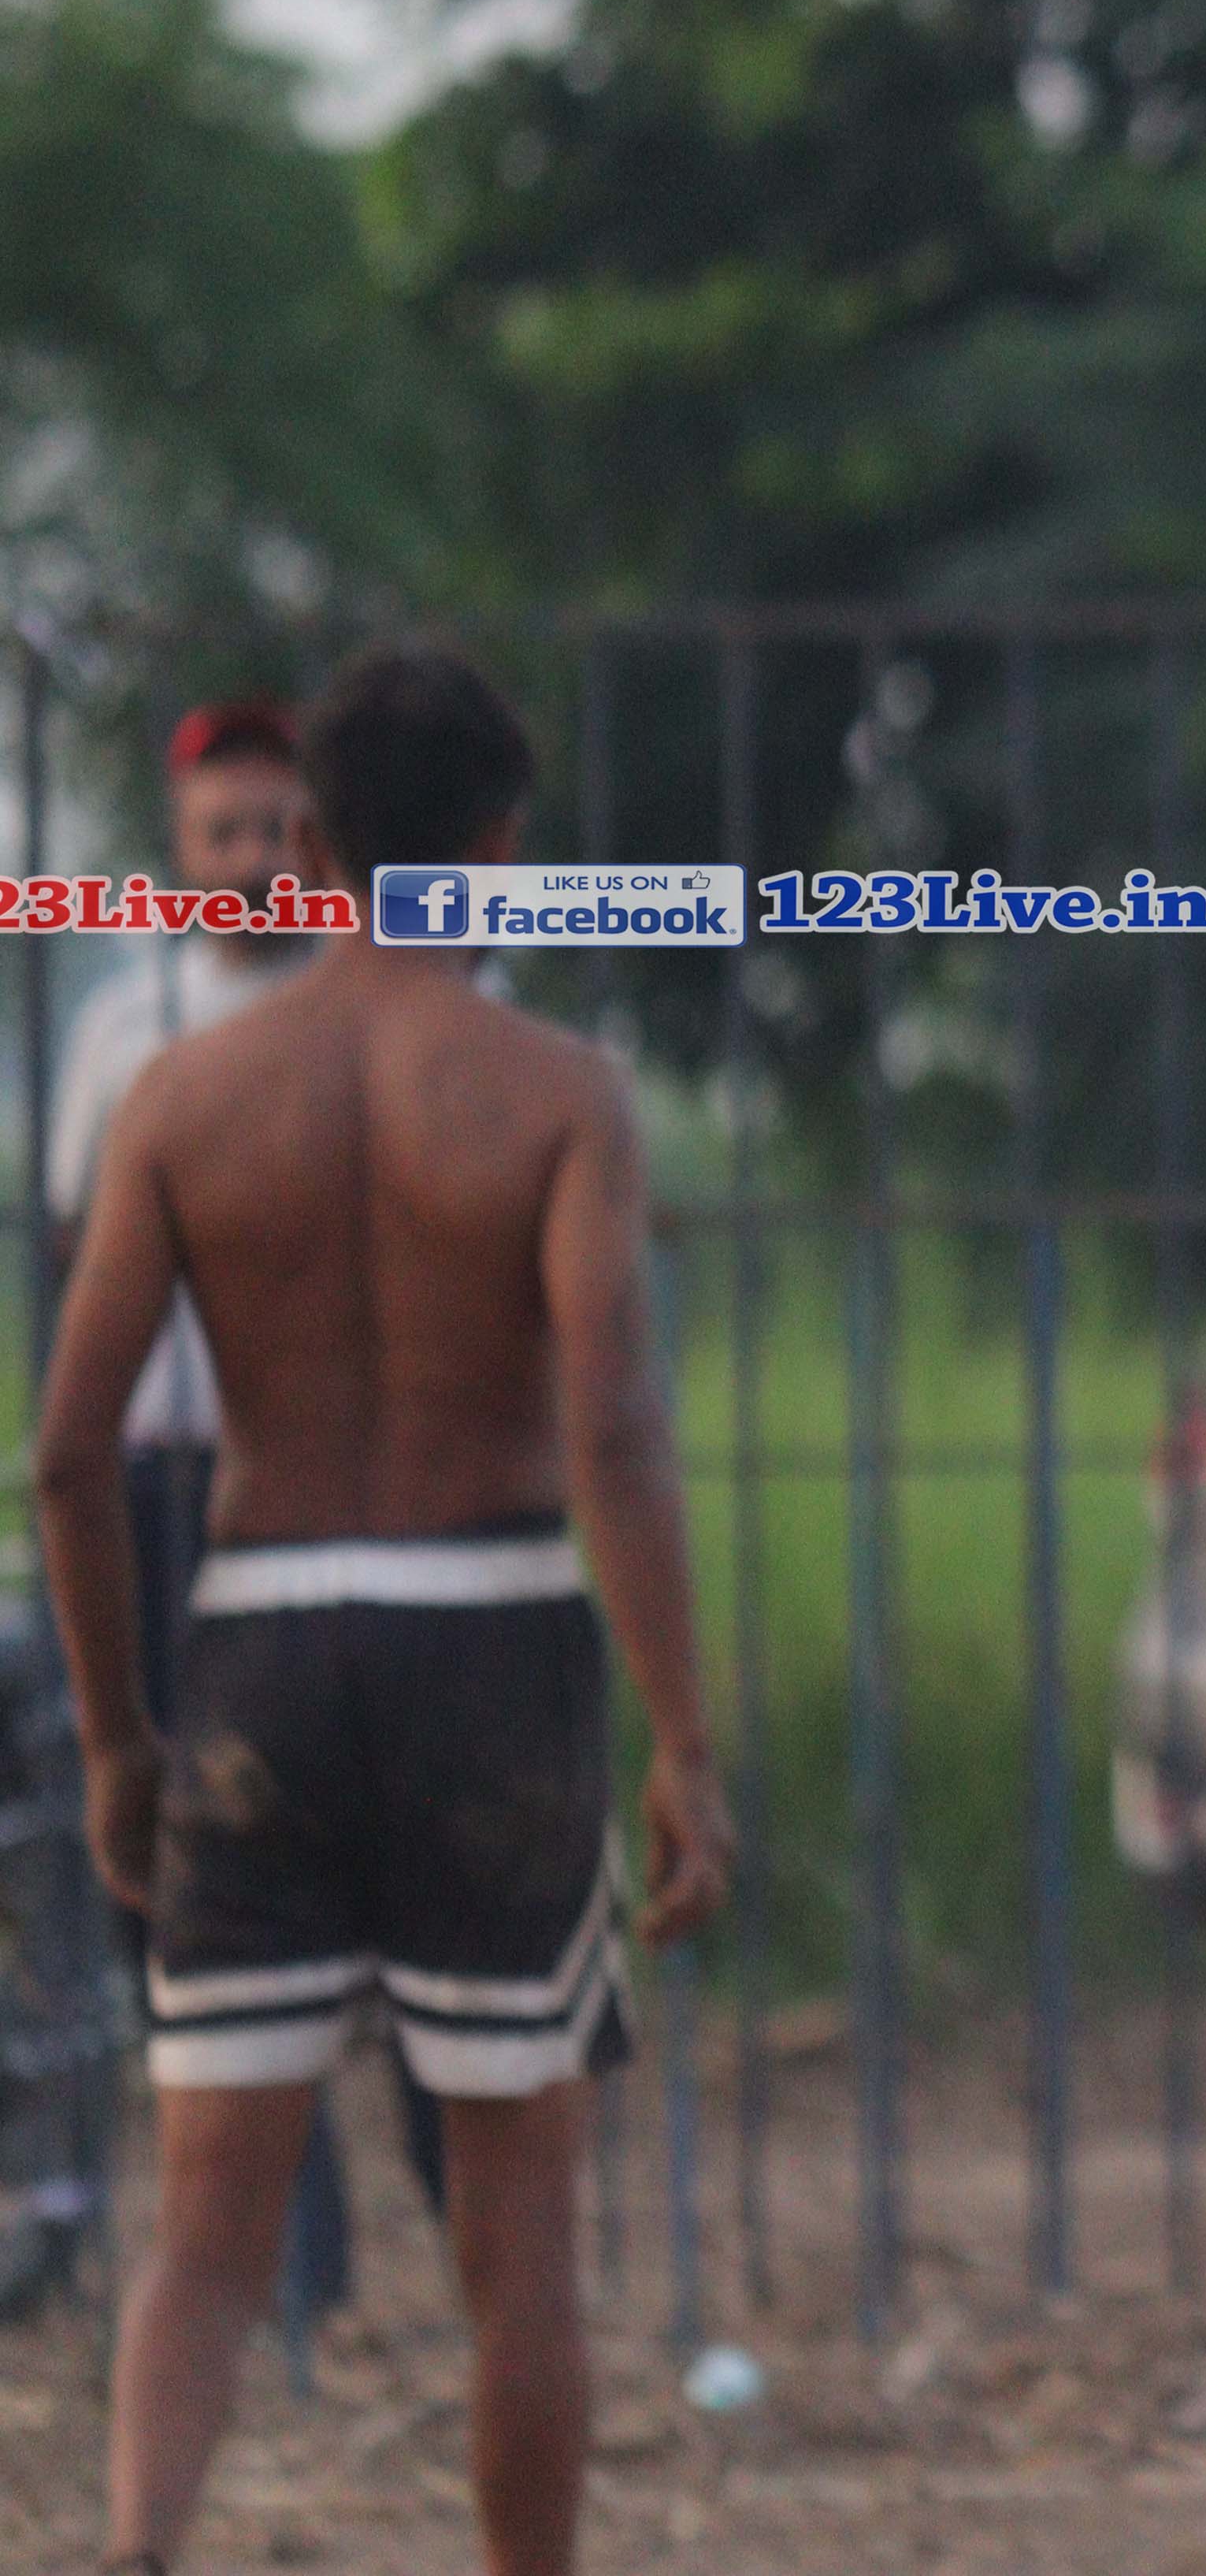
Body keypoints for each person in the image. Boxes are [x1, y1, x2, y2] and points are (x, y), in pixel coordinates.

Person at [35, 645, 733, 2576]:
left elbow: (71, 1454)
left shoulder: (182, 1094)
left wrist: (116, 1740)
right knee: (517, 2242)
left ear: (316, 841)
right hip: (489, 1633)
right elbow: (613, 1422)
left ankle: (138, 2549)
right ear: (497, 847)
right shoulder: (559, 1092)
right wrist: (684, 1741)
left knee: (206, 2220)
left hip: (257, 1642)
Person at [43, 702, 389, 2312]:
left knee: (381, 1835)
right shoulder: (132, 1029)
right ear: (176, 857)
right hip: (174, 1481)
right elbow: (76, 1270)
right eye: (222, 834)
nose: (252, 860)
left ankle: (449, 2218)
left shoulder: (380, 1003)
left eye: (275, 829)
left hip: (346, 1474)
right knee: (205, 1864)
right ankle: (286, 2254)